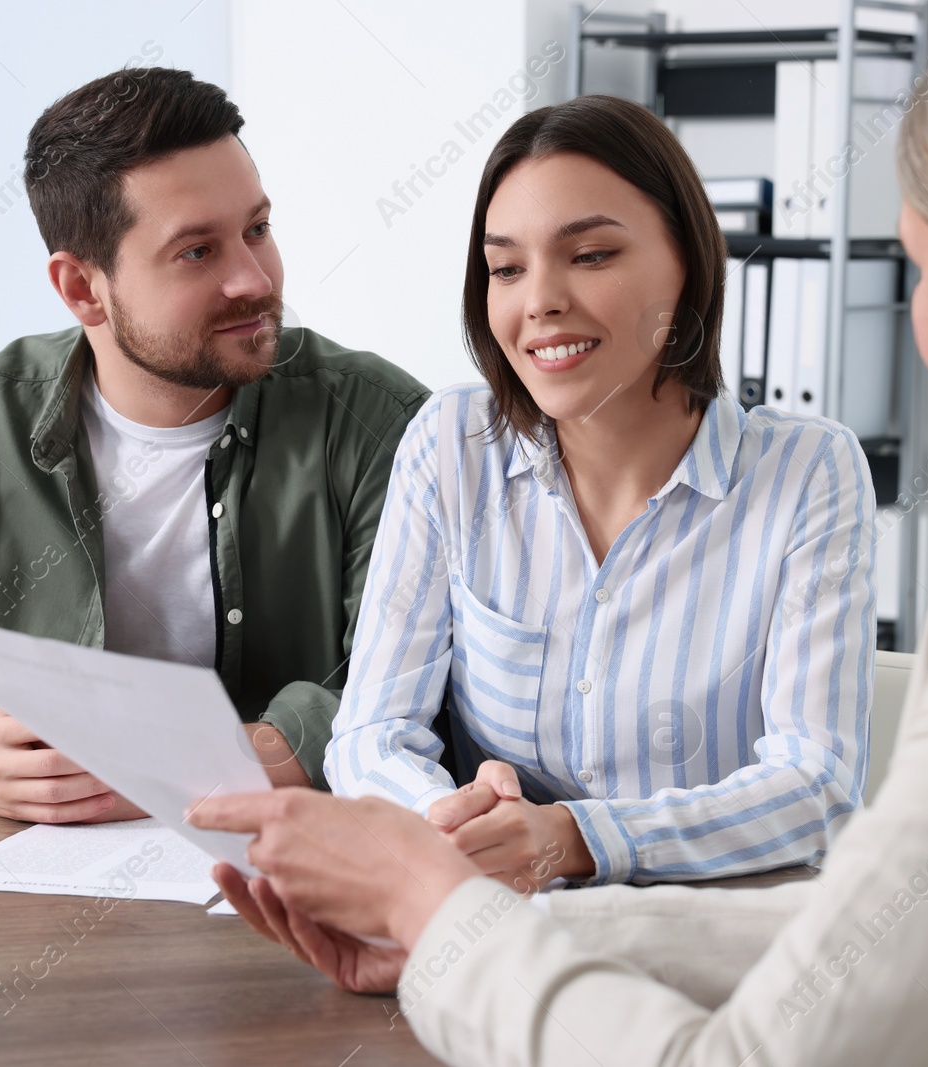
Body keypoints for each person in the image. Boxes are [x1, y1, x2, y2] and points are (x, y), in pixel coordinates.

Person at [185, 0, 928, 1061]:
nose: (539, 299)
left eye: (919, 269)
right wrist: (470, 923)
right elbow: (875, 927)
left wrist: (441, 907)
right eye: (506, 264)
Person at [0, 68, 428, 821]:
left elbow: (409, 691)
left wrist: (192, 772)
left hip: (306, 872)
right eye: (198, 252)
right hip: (41, 888)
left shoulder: (381, 419)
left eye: (257, 229)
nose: (255, 278)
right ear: (82, 288)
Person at [323, 93, 877, 887]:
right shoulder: (452, 443)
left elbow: (817, 786)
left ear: (687, 262)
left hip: (715, 945)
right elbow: (371, 733)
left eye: (589, 256)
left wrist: (580, 837)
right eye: (507, 268)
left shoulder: (809, 473)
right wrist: (453, 824)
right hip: (499, 930)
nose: (539, 300)